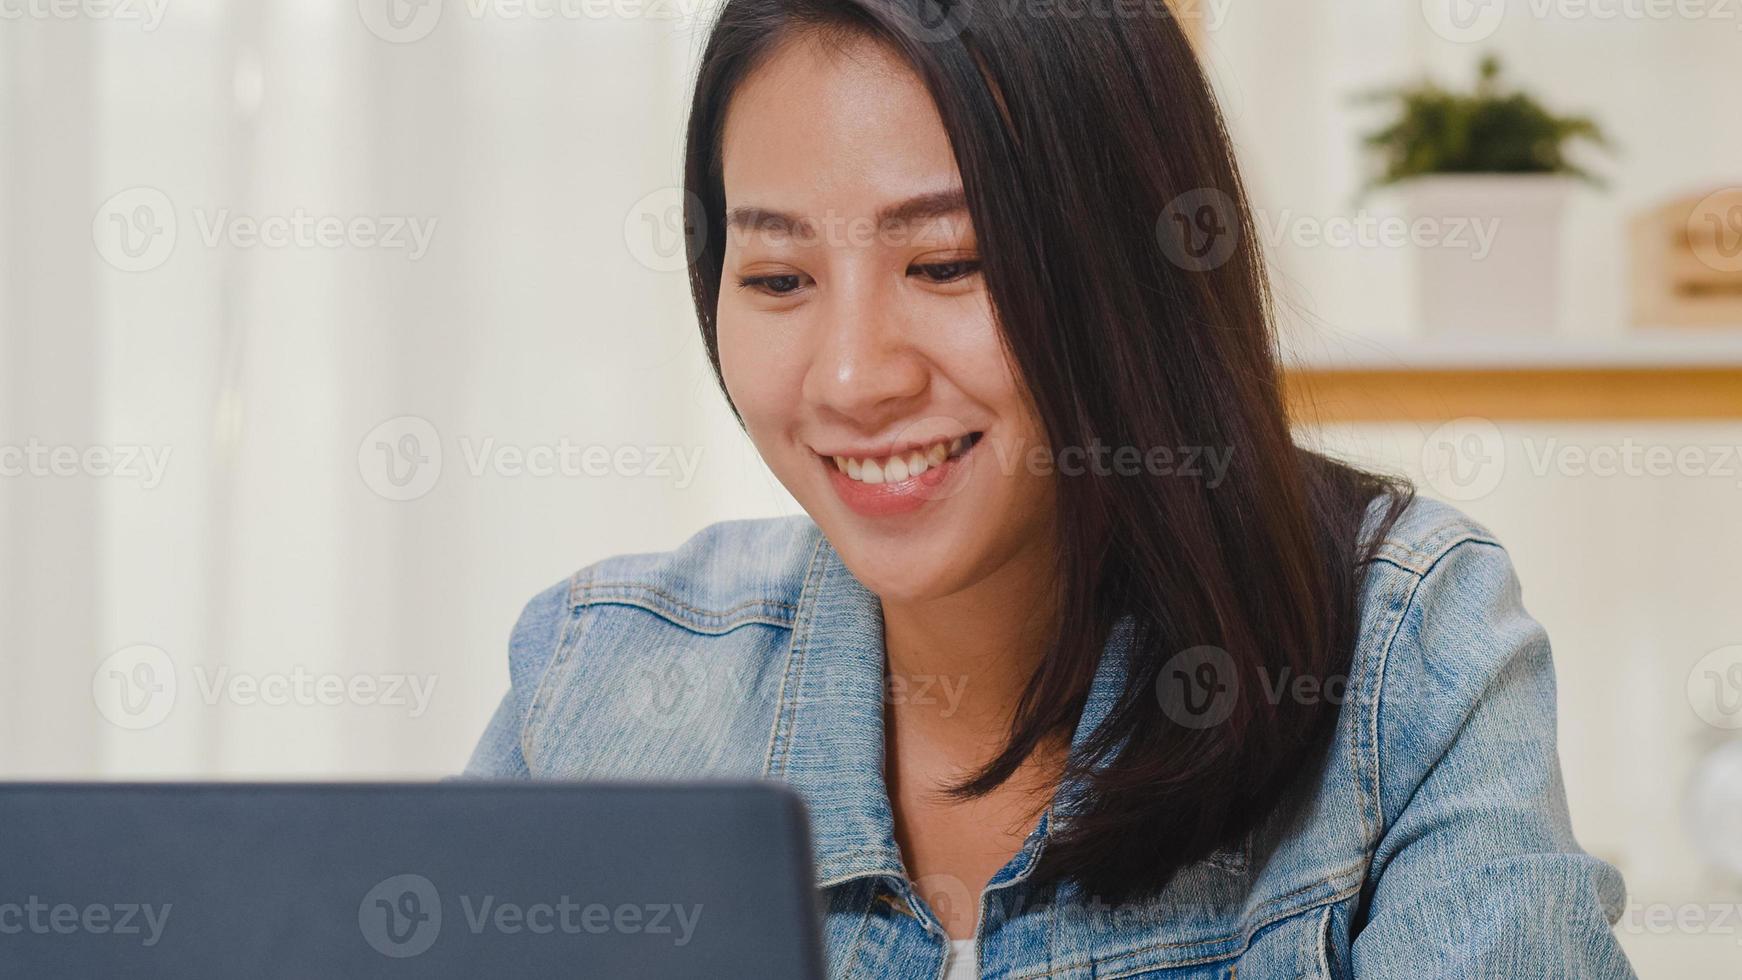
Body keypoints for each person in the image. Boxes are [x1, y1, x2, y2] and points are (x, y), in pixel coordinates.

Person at [466, 0, 1637, 975]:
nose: (850, 375)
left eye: (946, 263)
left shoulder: (1403, 653)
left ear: (1129, 274)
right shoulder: (596, 679)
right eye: (776, 277)